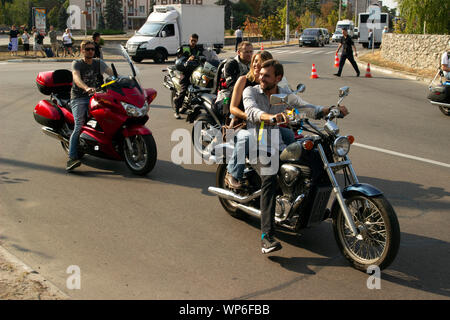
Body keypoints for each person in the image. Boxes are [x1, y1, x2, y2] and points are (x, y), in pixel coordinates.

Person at [243, 59, 348, 253]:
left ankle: (309, 206)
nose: (261, 78)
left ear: (278, 78)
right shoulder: (251, 91)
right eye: (260, 74)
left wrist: (330, 109)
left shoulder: (283, 95)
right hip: (257, 145)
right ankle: (267, 236)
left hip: (278, 143)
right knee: (269, 177)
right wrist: (271, 117)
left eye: (266, 75)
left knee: (313, 161)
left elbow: (306, 107)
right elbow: (251, 111)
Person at [225, 50, 273, 189]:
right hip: (239, 125)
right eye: (255, 61)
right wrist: (250, 116)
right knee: (247, 138)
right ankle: (232, 173)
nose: (257, 64)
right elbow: (232, 108)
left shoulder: (270, 83)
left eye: (261, 61)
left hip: (263, 127)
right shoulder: (243, 80)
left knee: (289, 136)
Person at [67, 40, 114, 171]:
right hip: (80, 98)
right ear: (82, 51)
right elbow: (76, 78)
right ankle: (71, 158)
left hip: (98, 96)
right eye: (87, 49)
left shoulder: (99, 63)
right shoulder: (77, 63)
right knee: (79, 125)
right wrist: (86, 88)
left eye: (92, 49)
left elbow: (112, 74)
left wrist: (123, 79)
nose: (90, 51)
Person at [173, 33, 205, 119]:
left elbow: (204, 57)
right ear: (189, 40)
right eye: (192, 40)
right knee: (183, 90)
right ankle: (176, 111)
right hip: (185, 71)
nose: (193, 42)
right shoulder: (184, 48)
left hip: (196, 71)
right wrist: (187, 58)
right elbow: (178, 58)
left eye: (195, 41)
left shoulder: (198, 49)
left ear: (197, 41)